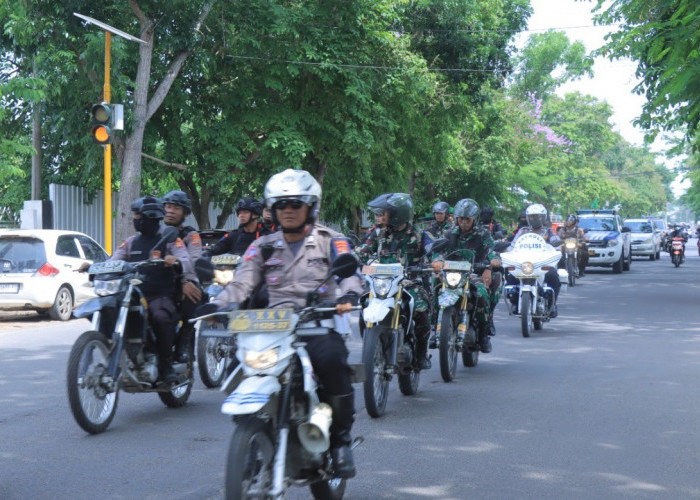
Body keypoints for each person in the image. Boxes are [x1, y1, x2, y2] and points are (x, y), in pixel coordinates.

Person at [203, 169, 362, 478]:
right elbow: (241, 283)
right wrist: (218, 304)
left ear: (310, 207)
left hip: (317, 324)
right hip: (272, 329)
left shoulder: (332, 240)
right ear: (273, 209)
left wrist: (350, 294)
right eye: (281, 204)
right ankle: (251, 440)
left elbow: (349, 274)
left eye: (295, 203)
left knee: (332, 362)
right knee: (240, 372)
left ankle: (340, 442)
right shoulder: (262, 246)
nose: (288, 210)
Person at [112, 196, 193, 384]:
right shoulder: (131, 241)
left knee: (160, 317)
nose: (135, 219)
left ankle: (165, 364)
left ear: (150, 217)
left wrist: (176, 261)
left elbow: (187, 261)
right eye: (135, 215)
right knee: (108, 307)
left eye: (139, 216)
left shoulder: (170, 239)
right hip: (134, 294)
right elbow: (114, 260)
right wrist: (95, 267)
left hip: (160, 294)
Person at [356, 193, 433, 370]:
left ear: (399, 214)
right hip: (381, 283)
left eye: (384, 213)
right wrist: (351, 258)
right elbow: (363, 250)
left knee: (422, 310)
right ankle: (372, 346)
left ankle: (421, 354)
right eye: (380, 213)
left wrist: (436, 261)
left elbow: (433, 252)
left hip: (409, 282)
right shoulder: (377, 232)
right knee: (363, 307)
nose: (380, 216)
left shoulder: (419, 234)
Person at [431, 199, 501, 353]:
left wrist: (493, 261)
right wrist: (437, 261)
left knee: (482, 294)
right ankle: (435, 325)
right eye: (461, 219)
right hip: (451, 274)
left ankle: (483, 334)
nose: (463, 222)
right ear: (456, 218)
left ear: (474, 219)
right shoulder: (449, 233)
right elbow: (439, 250)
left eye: (467, 219)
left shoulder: (483, 233)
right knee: (435, 288)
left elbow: (491, 249)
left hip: (474, 274)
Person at [163, 190, 203, 362]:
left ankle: (185, 340)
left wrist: (185, 280)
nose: (170, 211)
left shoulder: (191, 235)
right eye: (168, 207)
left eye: (176, 208)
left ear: (185, 213)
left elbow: (194, 262)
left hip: (182, 280)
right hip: (158, 281)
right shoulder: (155, 230)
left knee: (192, 294)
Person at [506, 203, 561, 317]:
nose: (535, 219)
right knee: (510, 275)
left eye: (538, 216)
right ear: (527, 218)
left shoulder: (548, 231)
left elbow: (556, 243)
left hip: (542, 263)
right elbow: (513, 245)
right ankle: (515, 301)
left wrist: (557, 245)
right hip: (524, 263)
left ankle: (552, 303)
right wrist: (508, 251)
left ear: (543, 217)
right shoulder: (523, 231)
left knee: (554, 275)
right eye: (532, 216)